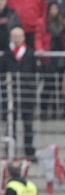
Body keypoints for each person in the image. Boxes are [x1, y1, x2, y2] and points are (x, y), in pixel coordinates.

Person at [0, 27, 39, 159]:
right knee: (11, 123)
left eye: (19, 36)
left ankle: (29, 151)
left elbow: (35, 72)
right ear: (10, 38)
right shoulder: (6, 55)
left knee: (28, 124)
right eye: (14, 37)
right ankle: (10, 150)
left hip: (27, 93)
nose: (16, 39)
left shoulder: (30, 54)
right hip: (10, 94)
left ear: (23, 38)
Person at [37, 1, 65, 120]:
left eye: (56, 8)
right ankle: (44, 111)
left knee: (59, 86)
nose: (54, 11)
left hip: (60, 56)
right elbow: (38, 37)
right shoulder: (42, 22)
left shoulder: (64, 21)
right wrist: (40, 49)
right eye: (52, 8)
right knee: (48, 85)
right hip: (48, 56)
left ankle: (56, 111)